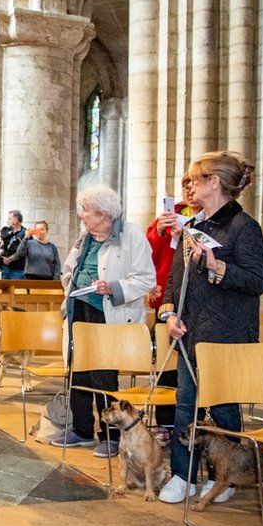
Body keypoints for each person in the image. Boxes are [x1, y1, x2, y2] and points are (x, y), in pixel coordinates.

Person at [157, 152, 263, 504]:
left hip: (227, 334)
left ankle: (228, 478)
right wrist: (169, 315)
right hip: (191, 332)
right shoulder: (192, 226)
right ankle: (182, 475)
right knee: (185, 405)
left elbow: (256, 281)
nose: (189, 187)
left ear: (214, 182)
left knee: (222, 408)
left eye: (195, 180)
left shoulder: (243, 227)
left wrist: (217, 266)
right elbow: (175, 280)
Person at [52, 184, 155, 459]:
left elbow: (146, 278)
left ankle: (110, 435)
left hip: (109, 314)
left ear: (103, 213)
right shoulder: (85, 236)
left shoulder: (132, 236)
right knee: (78, 371)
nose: (81, 215)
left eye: (85, 210)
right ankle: (82, 429)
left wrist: (112, 288)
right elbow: (69, 269)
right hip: (79, 310)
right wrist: (71, 285)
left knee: (103, 376)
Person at [146, 176, 202, 431]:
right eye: (186, 186)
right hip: (166, 300)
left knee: (196, 361)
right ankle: (166, 422)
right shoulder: (167, 219)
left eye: (194, 185)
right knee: (169, 364)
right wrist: (159, 233)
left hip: (198, 300)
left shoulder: (211, 219)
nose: (190, 190)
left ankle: (197, 423)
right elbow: (146, 256)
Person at [0, 209, 26, 279]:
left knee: (17, 289)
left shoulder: (25, 233)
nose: (7, 221)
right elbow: (2, 248)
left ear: (15, 221)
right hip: (5, 269)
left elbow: (24, 251)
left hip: (17, 269)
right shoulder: (7, 232)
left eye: (9, 219)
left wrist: (10, 259)